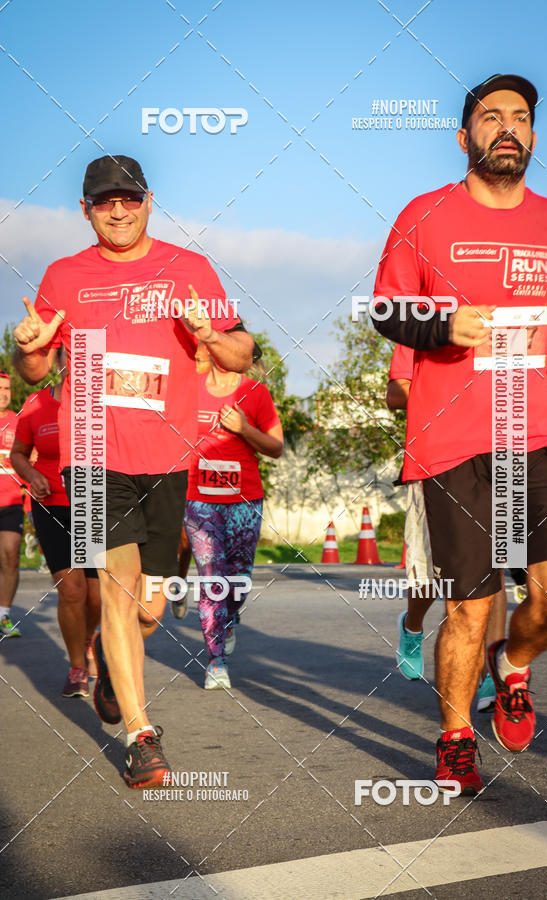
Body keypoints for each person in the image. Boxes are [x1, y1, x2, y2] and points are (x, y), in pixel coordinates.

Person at [372, 74, 547, 795]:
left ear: (533, 135)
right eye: (491, 117)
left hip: (542, 428)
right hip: (454, 439)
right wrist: (441, 324)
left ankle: (514, 664)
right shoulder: (423, 214)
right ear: (464, 136)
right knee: (469, 605)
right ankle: (457, 735)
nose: (507, 128)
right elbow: (384, 308)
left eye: (520, 118)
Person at [13, 154, 253, 789]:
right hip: (93, 451)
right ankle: (141, 737)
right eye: (103, 201)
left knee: (149, 605)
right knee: (116, 587)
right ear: (85, 210)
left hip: (166, 457)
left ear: (148, 202)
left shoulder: (189, 269)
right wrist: (27, 346)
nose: (117, 211)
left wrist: (210, 335)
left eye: (128, 198)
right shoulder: (65, 276)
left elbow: (241, 352)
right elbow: (36, 370)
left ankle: (110, 659)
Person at [386, 345, 506, 712]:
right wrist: (454, 398)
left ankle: (490, 670)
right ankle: (412, 625)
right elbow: (395, 394)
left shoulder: (506, 327)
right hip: (437, 459)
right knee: (430, 573)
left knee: (494, 566)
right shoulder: (423, 327)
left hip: (497, 458)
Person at [184, 348, 282, 689]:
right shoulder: (189, 388)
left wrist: (243, 428)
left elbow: (276, 447)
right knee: (211, 577)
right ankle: (216, 662)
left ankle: (230, 617)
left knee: (238, 578)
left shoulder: (257, 393)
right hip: (198, 500)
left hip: (244, 500)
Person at [11, 346, 101, 697]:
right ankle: (77, 666)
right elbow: (18, 454)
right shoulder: (36, 404)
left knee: (96, 597)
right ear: (58, 361)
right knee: (71, 590)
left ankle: (88, 639)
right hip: (51, 505)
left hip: (92, 503)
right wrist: (32, 476)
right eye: (68, 356)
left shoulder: (100, 404)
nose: (76, 363)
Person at [0, 373, 24, 638]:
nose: (4, 392)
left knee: (10, 555)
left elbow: (31, 457)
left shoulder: (19, 422)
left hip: (11, 502)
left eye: (7, 388)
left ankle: (3, 615)